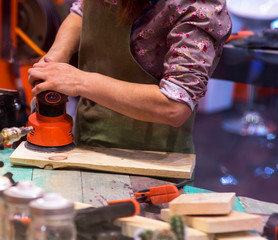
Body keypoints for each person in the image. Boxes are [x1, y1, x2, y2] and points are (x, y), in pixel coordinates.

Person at [28, 0, 232, 154]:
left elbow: (174, 106)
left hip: (152, 159)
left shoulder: (198, 6)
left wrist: (79, 81)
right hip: (86, 140)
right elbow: (83, 11)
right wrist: (55, 58)